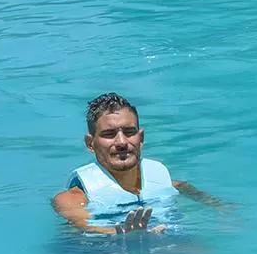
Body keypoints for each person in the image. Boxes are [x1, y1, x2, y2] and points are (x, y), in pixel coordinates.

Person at [51, 92, 221, 235]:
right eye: (109, 134)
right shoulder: (71, 199)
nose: (122, 142)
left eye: (129, 132)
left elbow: (184, 187)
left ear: (141, 139)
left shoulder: (164, 181)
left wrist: (223, 209)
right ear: (90, 144)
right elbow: (86, 226)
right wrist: (119, 234)